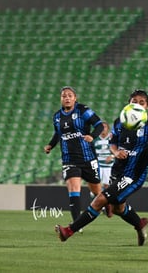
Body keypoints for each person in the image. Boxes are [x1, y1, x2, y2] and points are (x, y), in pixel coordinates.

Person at [55, 89, 148, 246]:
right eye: (134, 101)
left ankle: (68, 231)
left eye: (142, 102)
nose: (137, 104)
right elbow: (112, 143)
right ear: (128, 103)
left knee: (100, 199)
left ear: (147, 107)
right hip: (118, 170)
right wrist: (116, 152)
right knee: (118, 209)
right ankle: (140, 224)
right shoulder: (120, 121)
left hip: (133, 175)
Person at [44, 86, 104, 227]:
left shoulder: (83, 110)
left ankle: (106, 205)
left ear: (75, 98)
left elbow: (99, 125)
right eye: (64, 95)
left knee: (97, 191)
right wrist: (50, 145)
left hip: (88, 158)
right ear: (61, 99)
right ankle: (77, 224)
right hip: (69, 159)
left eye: (70, 95)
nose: (67, 98)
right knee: (73, 188)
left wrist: (92, 136)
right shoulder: (57, 116)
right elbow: (58, 134)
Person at [93, 121, 115, 217]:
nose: (103, 129)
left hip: (108, 167)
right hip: (98, 166)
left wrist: (112, 156)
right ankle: (100, 207)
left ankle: (108, 207)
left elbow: (118, 150)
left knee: (107, 186)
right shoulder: (95, 139)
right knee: (97, 187)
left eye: (105, 127)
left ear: (108, 128)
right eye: (101, 127)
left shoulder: (111, 138)